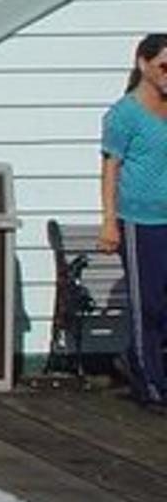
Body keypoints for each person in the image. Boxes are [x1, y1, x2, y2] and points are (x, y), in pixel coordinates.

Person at [99, 33, 167, 409]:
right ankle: (148, 383)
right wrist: (110, 221)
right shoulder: (126, 114)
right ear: (144, 64)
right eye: (164, 66)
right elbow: (111, 168)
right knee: (149, 304)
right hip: (141, 220)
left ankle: (144, 364)